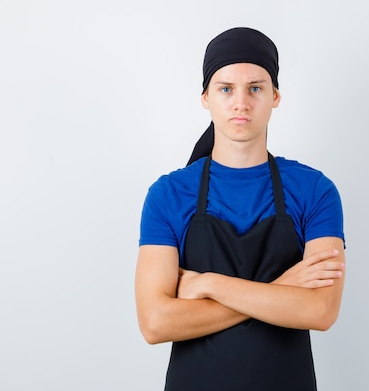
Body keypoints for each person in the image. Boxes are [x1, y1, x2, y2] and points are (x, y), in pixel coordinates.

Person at [135, 27, 346, 391]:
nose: (241, 103)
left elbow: (320, 311)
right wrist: (280, 289)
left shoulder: (314, 191)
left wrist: (206, 284)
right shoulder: (169, 194)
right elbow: (155, 323)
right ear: (205, 97)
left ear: (275, 95)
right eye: (226, 88)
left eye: (256, 88)